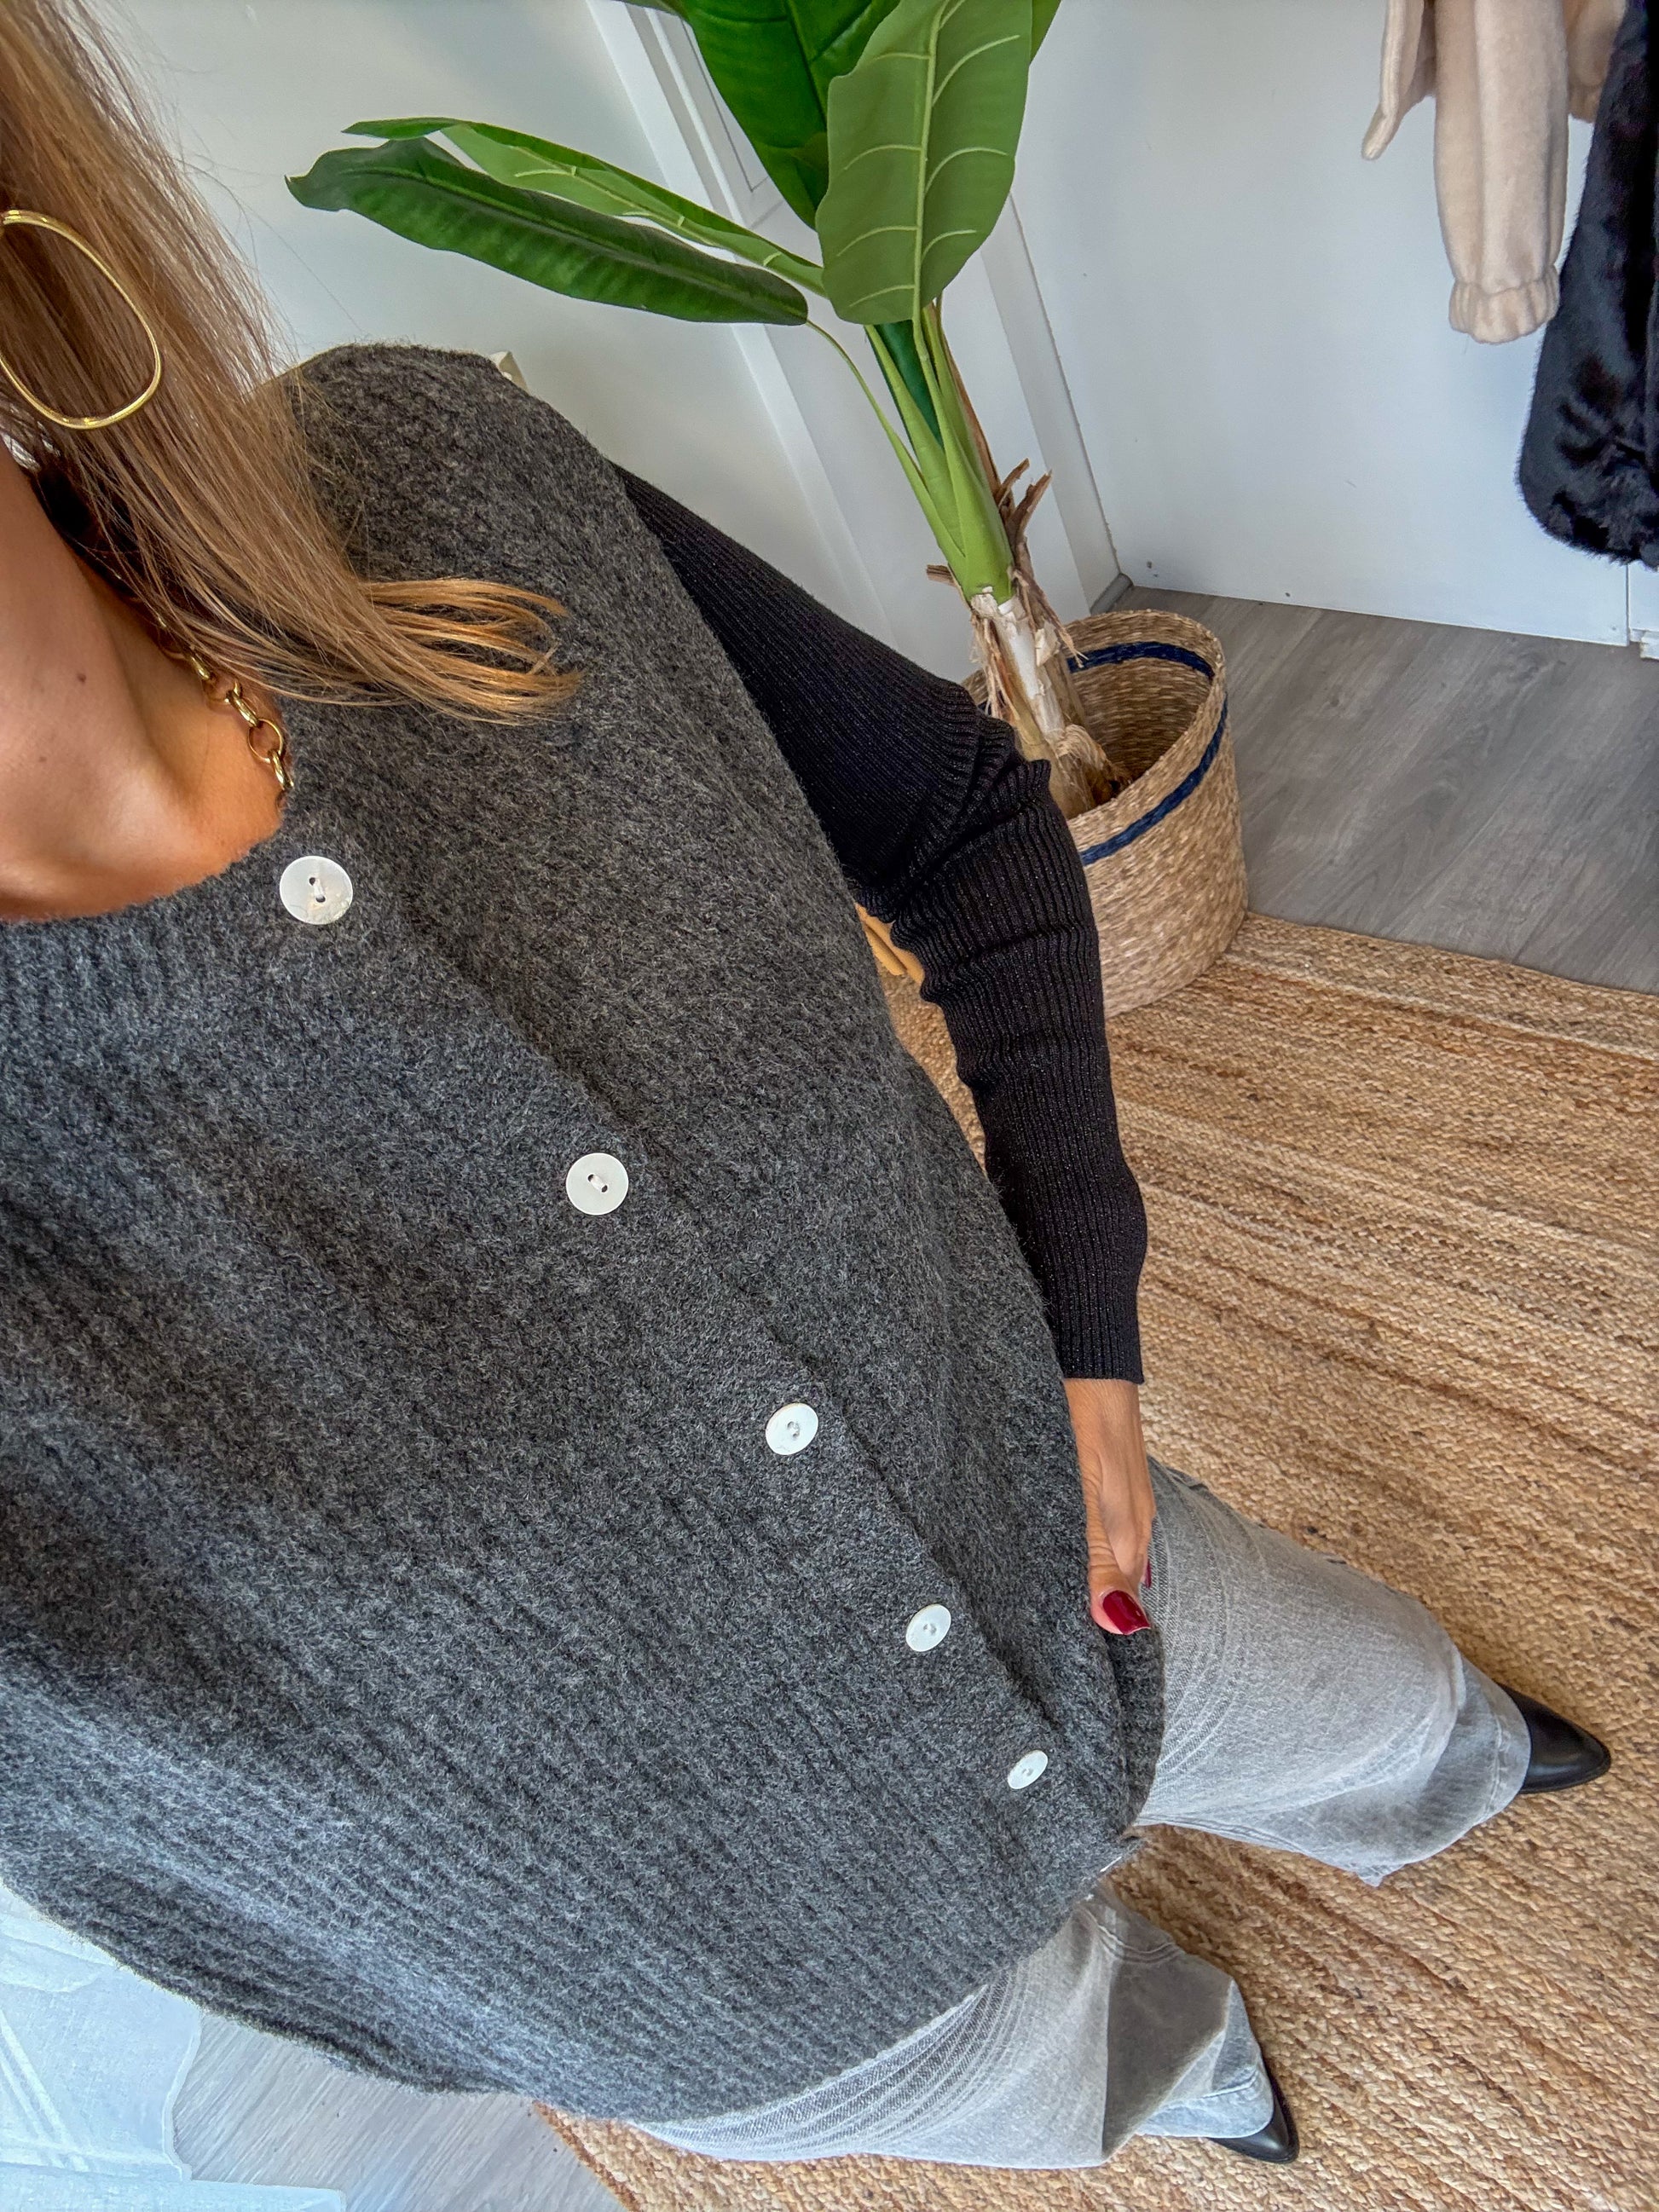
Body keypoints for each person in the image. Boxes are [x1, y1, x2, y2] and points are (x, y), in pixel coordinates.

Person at [0, 0, 1610, 2175]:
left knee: (1376, 1705)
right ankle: (1182, 2065)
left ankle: (1446, 1777)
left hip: (1069, 1555)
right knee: (1080, 2075)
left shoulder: (428, 482)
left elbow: (963, 821)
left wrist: (1086, 1327)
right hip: (754, 1989)